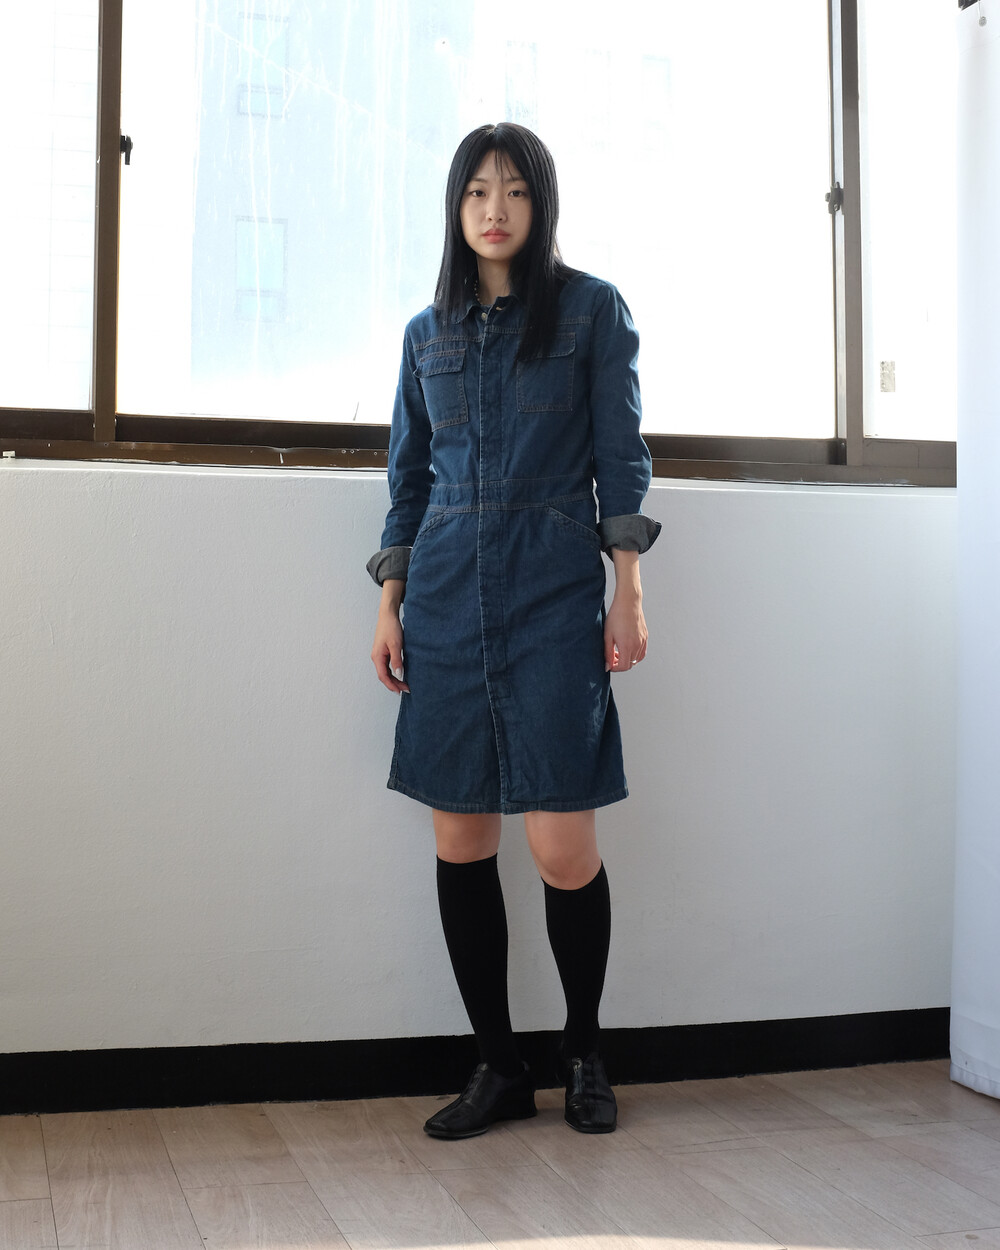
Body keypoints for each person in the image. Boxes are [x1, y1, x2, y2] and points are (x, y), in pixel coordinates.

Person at [368, 122, 659, 1140]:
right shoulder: (426, 334)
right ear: (456, 209)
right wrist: (390, 599)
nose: (495, 210)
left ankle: (583, 1050)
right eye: (477, 192)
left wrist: (628, 588)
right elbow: (408, 480)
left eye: (516, 191)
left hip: (550, 596)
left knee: (562, 845)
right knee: (460, 840)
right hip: (447, 598)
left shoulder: (590, 310)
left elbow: (621, 456)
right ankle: (497, 1064)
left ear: (542, 204)